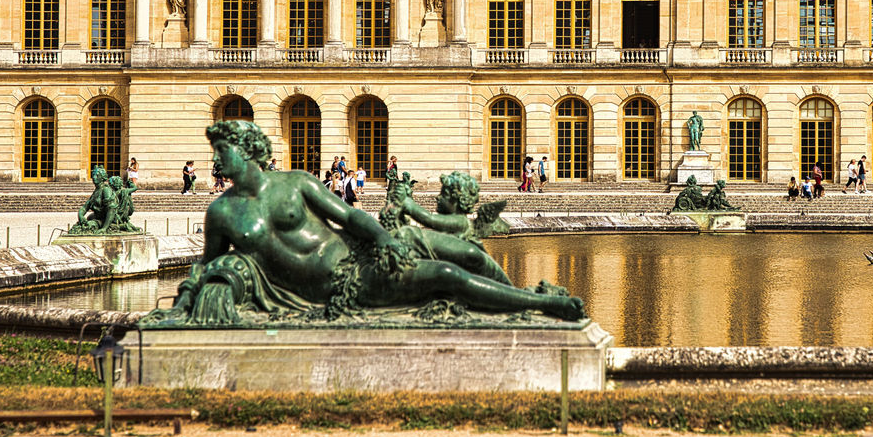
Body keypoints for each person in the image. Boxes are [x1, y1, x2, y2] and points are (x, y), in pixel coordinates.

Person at [156, 120, 584, 324]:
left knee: (463, 254)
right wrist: (192, 291)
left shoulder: (296, 183)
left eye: (221, 151)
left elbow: (350, 214)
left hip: (360, 254)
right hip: (335, 288)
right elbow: (207, 263)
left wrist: (383, 238)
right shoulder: (221, 211)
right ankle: (540, 305)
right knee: (448, 275)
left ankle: (515, 294)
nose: (214, 160)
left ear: (246, 150)